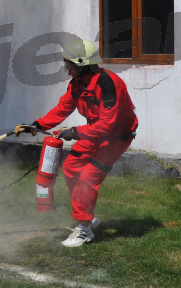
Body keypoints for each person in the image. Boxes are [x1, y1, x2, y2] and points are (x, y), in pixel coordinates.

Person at [15, 38, 138, 247]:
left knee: (88, 177)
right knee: (71, 167)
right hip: (94, 132)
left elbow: (107, 126)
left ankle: (84, 229)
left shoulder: (109, 84)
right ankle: (87, 215)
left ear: (82, 64)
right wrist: (36, 126)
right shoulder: (78, 84)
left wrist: (73, 132)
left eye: (69, 65)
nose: (67, 69)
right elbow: (62, 109)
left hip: (116, 138)